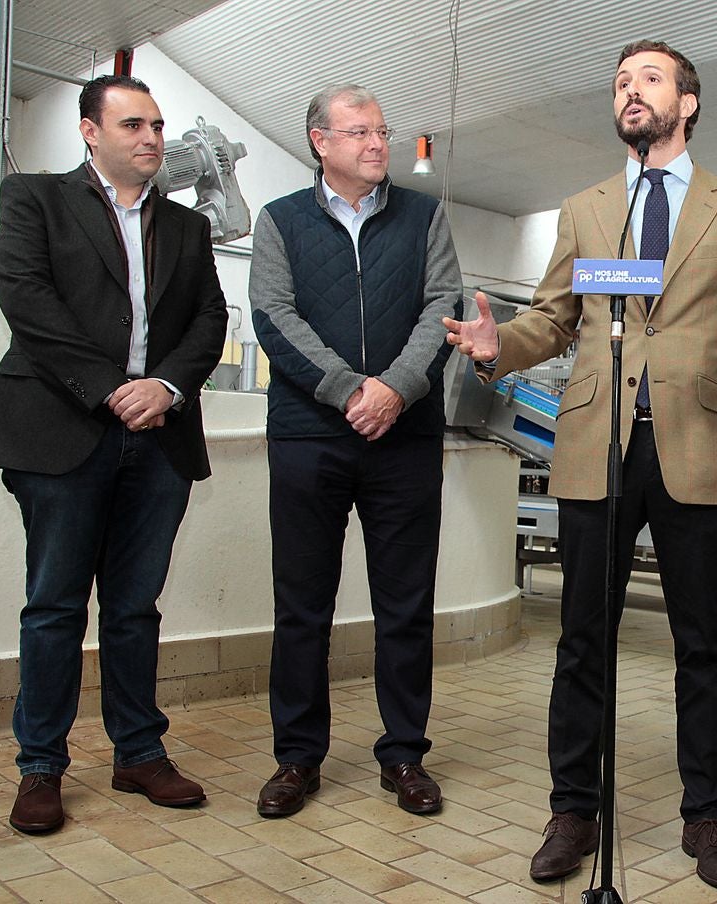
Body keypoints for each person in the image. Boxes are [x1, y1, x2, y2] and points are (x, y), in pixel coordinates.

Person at [443, 40, 717, 891]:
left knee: (701, 643)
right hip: (596, 446)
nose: (630, 93)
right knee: (581, 640)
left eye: (647, 80)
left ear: (690, 102)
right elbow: (556, 320)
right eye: (619, 83)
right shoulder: (587, 207)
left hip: (696, 444)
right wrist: (499, 348)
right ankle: (573, 811)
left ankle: (705, 816)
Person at [0, 74, 227, 834]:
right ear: (91, 132)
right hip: (61, 430)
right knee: (55, 607)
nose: (152, 138)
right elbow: (25, 300)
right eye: (133, 125)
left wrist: (166, 388)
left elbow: (211, 320)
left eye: (156, 125)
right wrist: (109, 389)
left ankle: (138, 753)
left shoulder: (187, 227)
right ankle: (40, 768)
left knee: (133, 608)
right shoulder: (36, 200)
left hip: (158, 439)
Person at [249, 84, 462, 819]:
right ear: (320, 140)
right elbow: (273, 315)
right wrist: (348, 391)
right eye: (360, 132)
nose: (378, 144)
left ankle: (404, 754)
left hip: (404, 437)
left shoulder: (425, 216)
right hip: (310, 435)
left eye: (383, 131)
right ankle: (296, 759)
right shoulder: (279, 221)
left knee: (406, 603)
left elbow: (444, 305)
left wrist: (397, 390)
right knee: (301, 605)